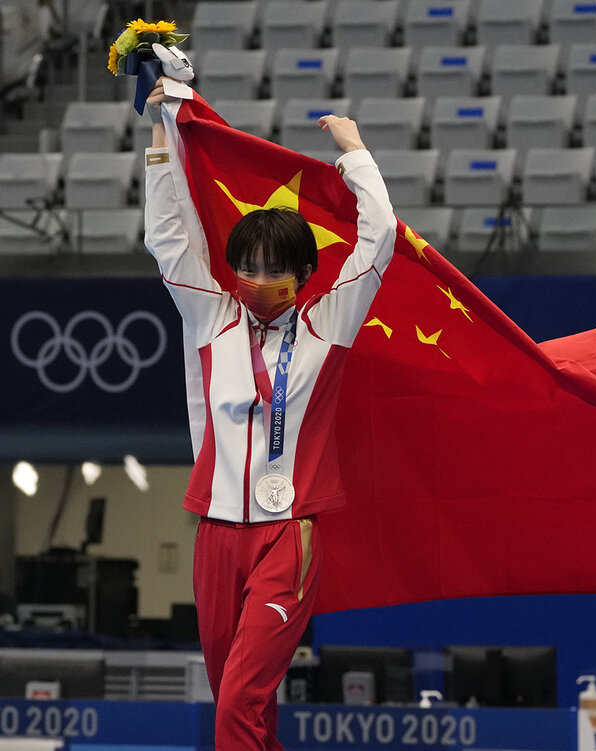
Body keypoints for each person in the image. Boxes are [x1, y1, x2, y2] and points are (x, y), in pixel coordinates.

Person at [144, 76, 395, 749]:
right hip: (214, 536)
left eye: (273, 266)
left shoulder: (328, 324)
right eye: (246, 265)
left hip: (289, 536)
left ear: (305, 272)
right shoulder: (211, 316)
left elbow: (379, 239)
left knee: (237, 705)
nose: (258, 278)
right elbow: (167, 239)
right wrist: (161, 138)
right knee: (241, 700)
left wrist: (355, 153)